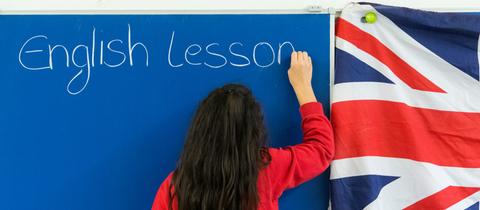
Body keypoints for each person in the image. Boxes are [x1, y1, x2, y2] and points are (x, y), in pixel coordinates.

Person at [152, 51, 334, 210]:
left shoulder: (176, 187)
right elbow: (322, 150)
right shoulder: (266, 169)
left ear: (200, 129)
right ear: (254, 131)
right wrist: (303, 87)